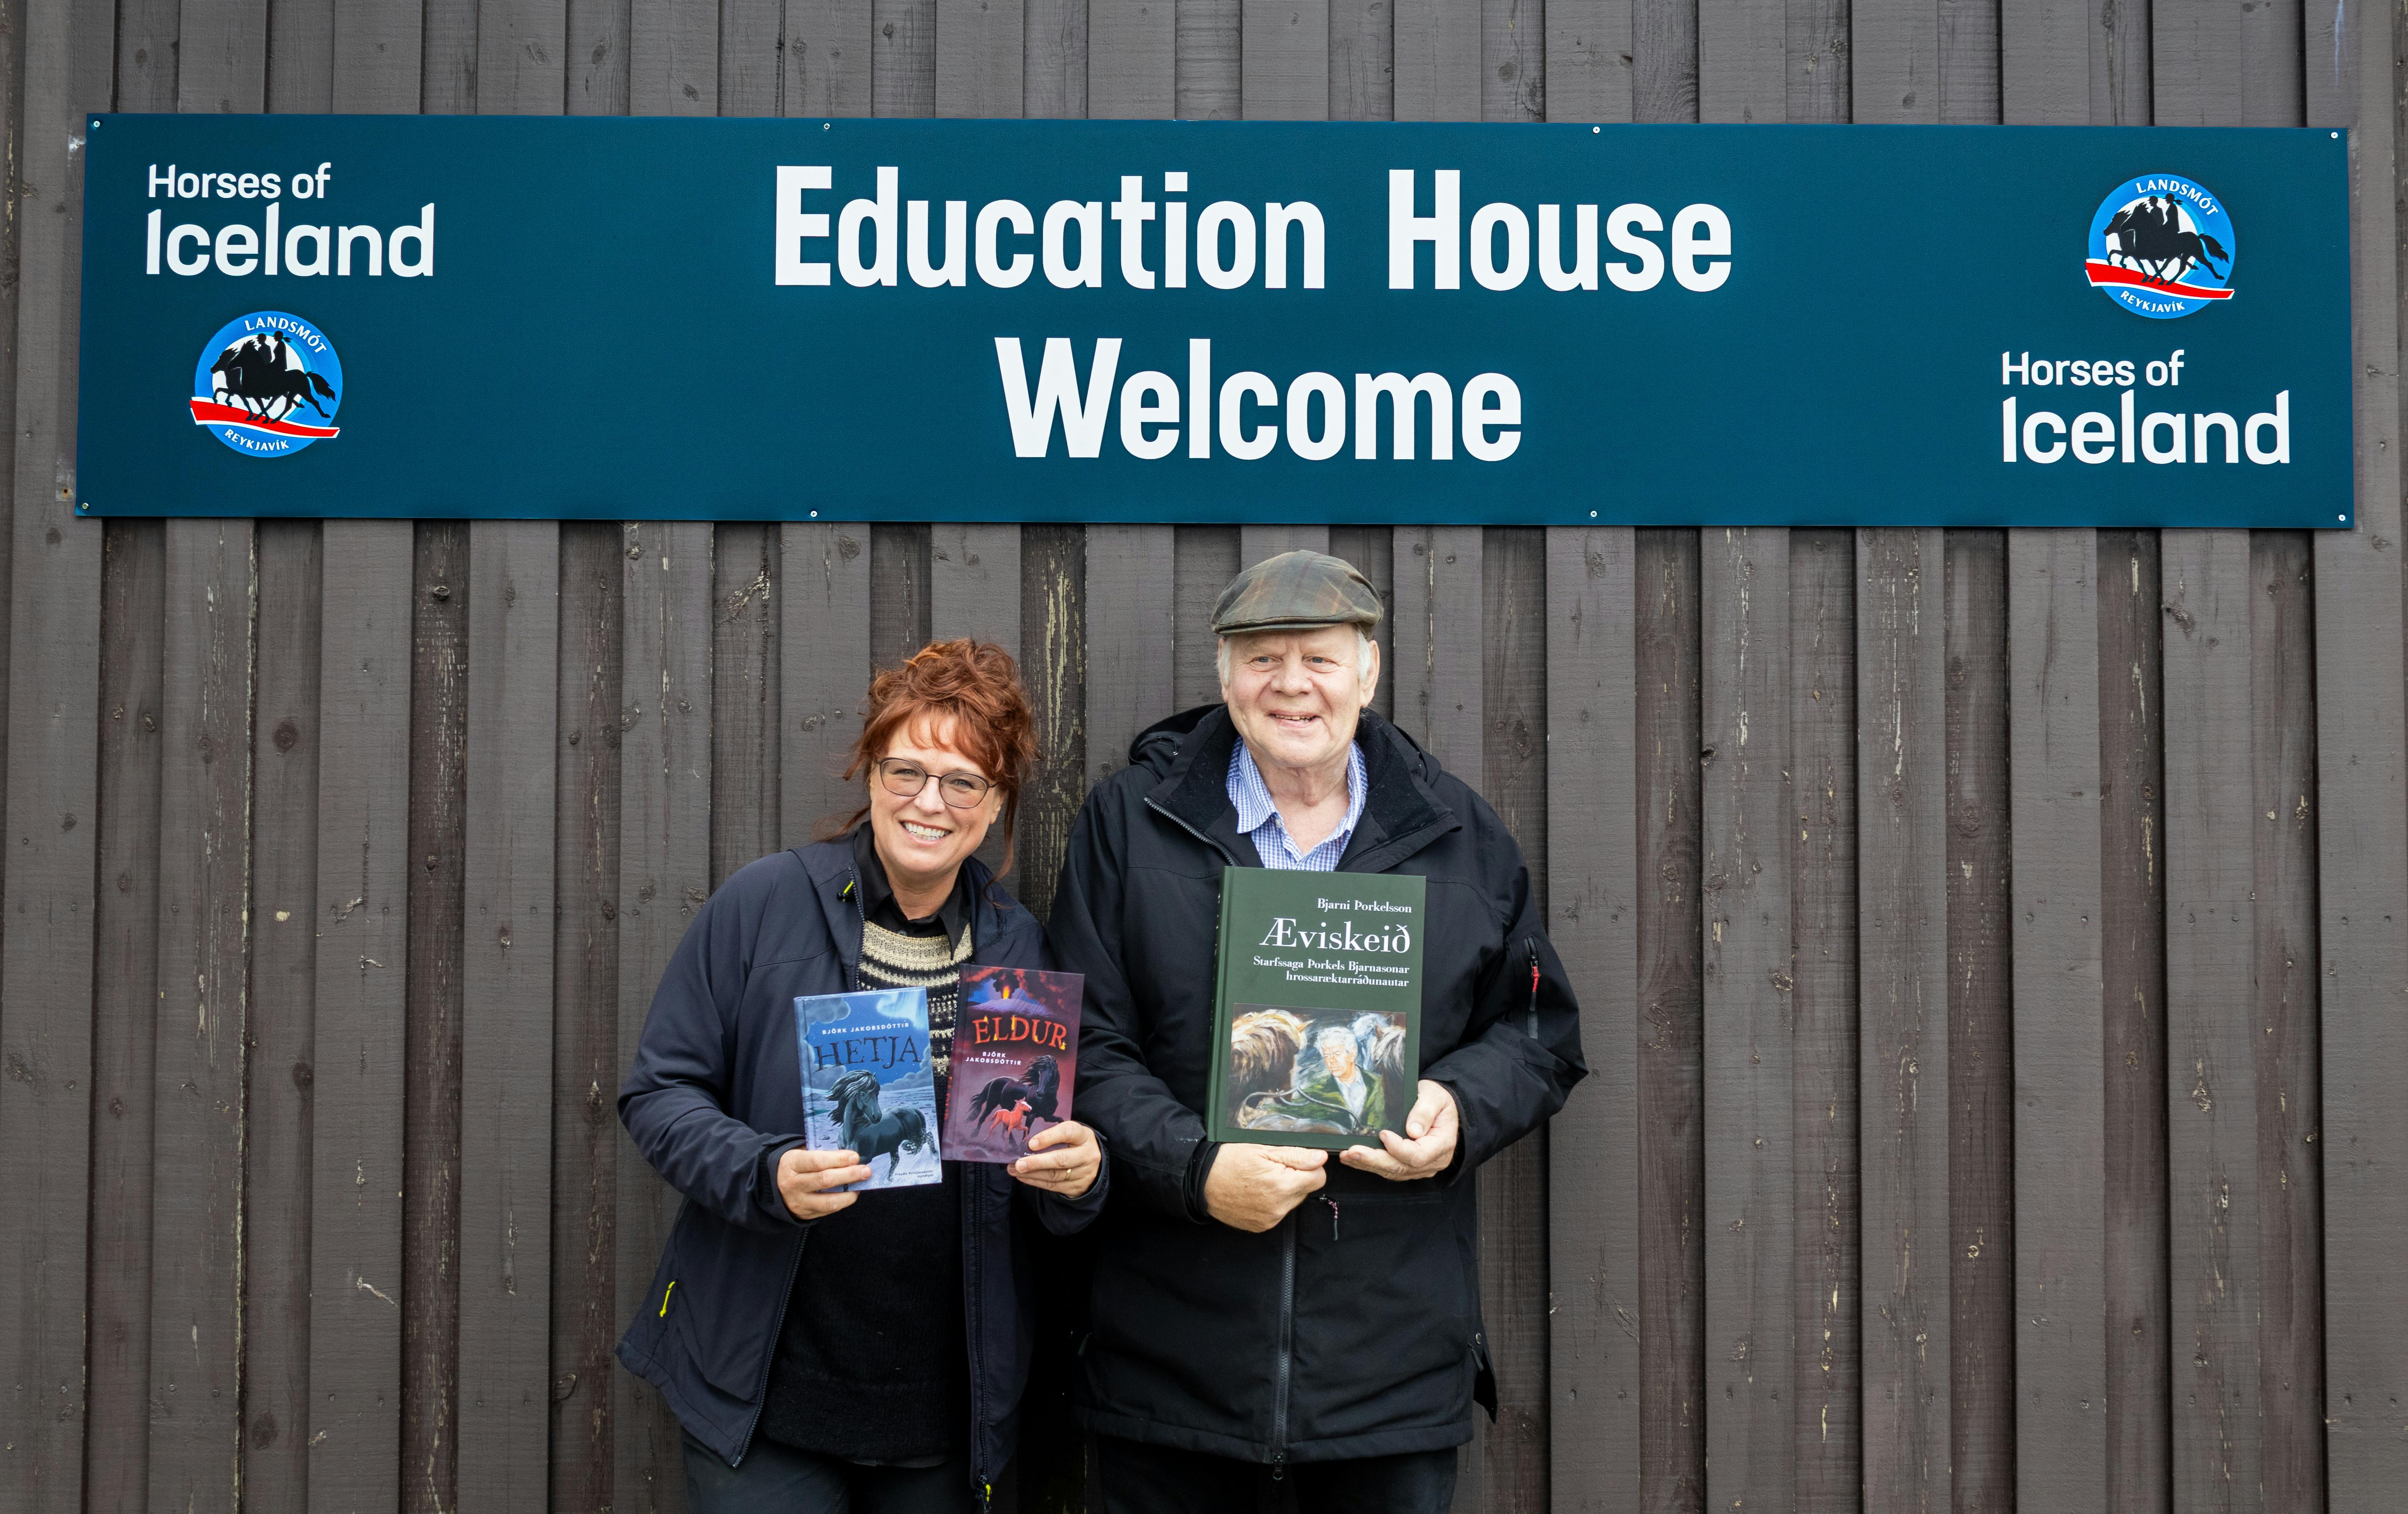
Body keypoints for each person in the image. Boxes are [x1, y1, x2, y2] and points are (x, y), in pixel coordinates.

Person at [1050, 550, 1588, 1513]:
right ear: (1224, 673)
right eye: (1262, 658)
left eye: (1319, 657)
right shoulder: (1129, 824)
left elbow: (1539, 1026)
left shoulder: (1460, 833)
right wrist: (1195, 1169)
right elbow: (1084, 1044)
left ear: (1368, 670)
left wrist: (1456, 1106)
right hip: (1171, 1369)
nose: (1290, 684)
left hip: (1386, 1377)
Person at [617, 638, 1107, 1514]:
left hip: (942, 1404)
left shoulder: (1015, 945)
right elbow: (659, 1093)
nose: (929, 801)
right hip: (765, 1388)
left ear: (995, 805)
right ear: (870, 773)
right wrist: (764, 1170)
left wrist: (1079, 1177)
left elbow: (1029, 1165)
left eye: (963, 780)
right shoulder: (766, 903)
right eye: (905, 769)